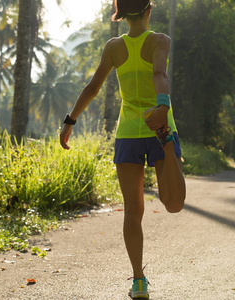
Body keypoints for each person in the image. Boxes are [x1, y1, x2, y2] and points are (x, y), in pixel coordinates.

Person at [59, 0, 186, 298]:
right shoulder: (159, 40)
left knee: (133, 209)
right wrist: (162, 108)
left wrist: (70, 121)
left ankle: (138, 281)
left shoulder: (114, 47)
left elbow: (92, 87)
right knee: (173, 203)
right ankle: (167, 142)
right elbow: (159, 75)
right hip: (158, 124)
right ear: (148, 10)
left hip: (128, 133)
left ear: (121, 13)